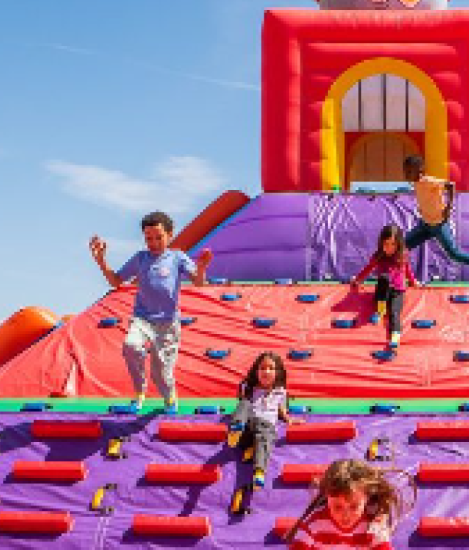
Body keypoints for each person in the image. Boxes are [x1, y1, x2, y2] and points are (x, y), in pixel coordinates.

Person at [90, 211, 212, 415]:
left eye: (158, 237)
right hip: (142, 319)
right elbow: (116, 281)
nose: (153, 243)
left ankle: (169, 398)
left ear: (170, 235)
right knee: (131, 346)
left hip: (167, 323)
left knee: (161, 371)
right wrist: (102, 262)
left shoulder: (177, 258)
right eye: (148, 238)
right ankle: (139, 392)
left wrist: (201, 268)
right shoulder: (141, 258)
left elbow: (199, 283)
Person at [403, 155, 469, 282]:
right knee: (402, 246)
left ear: (420, 170)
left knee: (454, 254)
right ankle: (403, 277)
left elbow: (450, 185)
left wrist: (449, 207)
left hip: (439, 225)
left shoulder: (428, 181)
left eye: (409, 171)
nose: (406, 174)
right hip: (425, 224)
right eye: (405, 171)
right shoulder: (416, 183)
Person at [286, 459, 408, 550]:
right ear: (327, 497)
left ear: (367, 498)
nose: (345, 514)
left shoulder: (373, 523)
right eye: (337, 507)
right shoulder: (315, 523)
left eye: (354, 506)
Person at [227, 352, 302, 489]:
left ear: (277, 373)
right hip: (247, 426)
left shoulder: (280, 392)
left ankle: (259, 472)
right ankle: (235, 430)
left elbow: (282, 411)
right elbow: (242, 405)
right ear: (256, 371)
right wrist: (239, 414)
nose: (266, 372)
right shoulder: (249, 388)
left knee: (264, 439)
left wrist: (289, 420)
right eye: (262, 368)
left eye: (271, 368)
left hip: (266, 427)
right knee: (245, 403)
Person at [351, 224, 419, 349]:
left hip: (397, 291)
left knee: (394, 313)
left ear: (398, 244)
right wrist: (358, 280)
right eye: (386, 244)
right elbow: (368, 268)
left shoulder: (402, 255)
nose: (389, 248)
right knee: (384, 278)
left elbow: (408, 270)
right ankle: (380, 310)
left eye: (393, 244)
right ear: (381, 243)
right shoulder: (378, 256)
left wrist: (413, 281)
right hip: (382, 292)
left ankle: (395, 335)